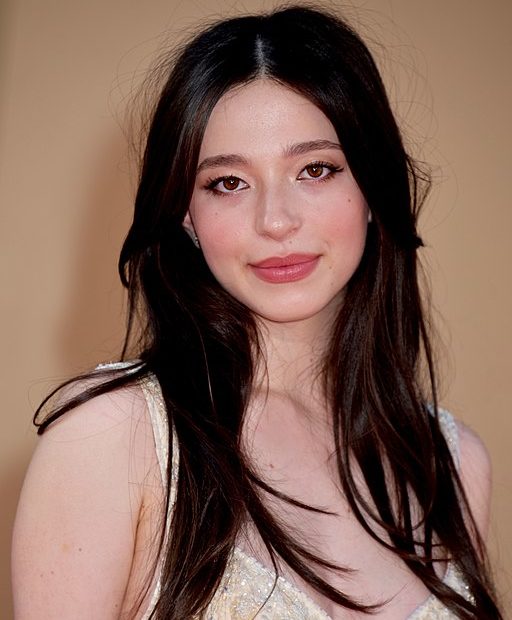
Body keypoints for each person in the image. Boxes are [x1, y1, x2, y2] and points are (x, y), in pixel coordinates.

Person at [11, 5, 502, 619]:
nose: (276, 221)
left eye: (315, 170)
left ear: (373, 189)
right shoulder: (111, 438)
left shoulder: (451, 464)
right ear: (186, 214)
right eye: (228, 182)